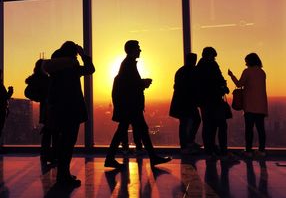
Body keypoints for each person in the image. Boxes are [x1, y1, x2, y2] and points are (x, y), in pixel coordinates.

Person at [105, 40, 172, 169]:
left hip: (129, 105)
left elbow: (128, 84)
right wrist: (143, 83)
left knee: (130, 130)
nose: (140, 50)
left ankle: (111, 158)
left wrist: (141, 83)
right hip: (132, 106)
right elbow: (130, 85)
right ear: (132, 50)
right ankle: (152, 158)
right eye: (138, 48)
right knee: (138, 130)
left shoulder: (127, 64)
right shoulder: (128, 65)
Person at [43, 41, 95, 188]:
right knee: (68, 144)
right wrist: (84, 55)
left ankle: (62, 174)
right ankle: (63, 176)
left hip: (58, 110)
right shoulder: (71, 67)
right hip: (72, 110)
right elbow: (90, 69)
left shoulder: (54, 69)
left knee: (62, 143)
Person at [195, 47, 234, 160]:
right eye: (213, 56)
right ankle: (222, 152)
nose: (214, 58)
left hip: (205, 102)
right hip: (215, 100)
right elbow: (218, 79)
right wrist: (223, 87)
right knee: (221, 125)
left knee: (208, 126)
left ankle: (210, 151)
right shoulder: (212, 66)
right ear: (210, 55)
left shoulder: (199, 67)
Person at [228, 53, 268, 158]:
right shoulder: (262, 72)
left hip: (249, 106)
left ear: (249, 61)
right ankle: (262, 151)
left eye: (246, 61)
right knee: (261, 130)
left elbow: (239, 84)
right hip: (261, 106)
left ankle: (248, 151)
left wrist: (231, 76)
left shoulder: (247, 71)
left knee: (249, 130)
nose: (245, 63)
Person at [25, 59, 58, 163]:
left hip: (45, 109)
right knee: (54, 133)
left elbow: (28, 92)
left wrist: (41, 98)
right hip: (52, 109)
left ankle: (46, 155)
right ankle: (53, 155)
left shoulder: (38, 79)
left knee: (48, 132)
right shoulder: (48, 79)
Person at [169, 53, 201, 154]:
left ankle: (186, 144)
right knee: (193, 121)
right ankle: (187, 143)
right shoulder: (193, 71)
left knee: (184, 123)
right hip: (188, 102)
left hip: (181, 102)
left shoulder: (181, 71)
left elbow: (177, 86)